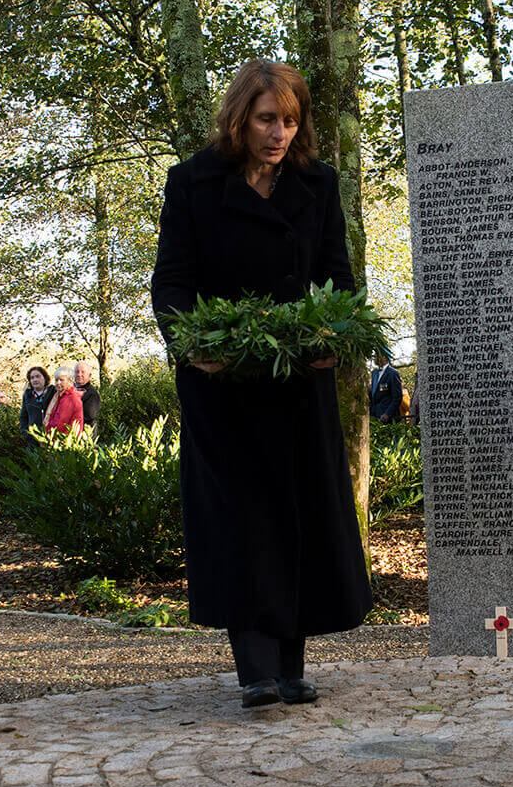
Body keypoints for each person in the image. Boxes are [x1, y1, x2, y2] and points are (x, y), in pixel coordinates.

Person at [151, 58, 372, 710]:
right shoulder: (192, 184)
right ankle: (256, 668)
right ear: (241, 118)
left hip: (299, 387)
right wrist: (193, 345)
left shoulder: (318, 185)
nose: (280, 133)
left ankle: (292, 665)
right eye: (267, 119)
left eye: (291, 120)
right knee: (242, 522)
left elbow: (338, 279)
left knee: (299, 516)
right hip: (223, 391)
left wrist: (333, 335)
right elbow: (172, 283)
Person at [42, 365, 84, 434]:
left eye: (61, 380)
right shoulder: (60, 396)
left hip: (65, 439)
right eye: (56, 380)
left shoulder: (70, 398)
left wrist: (45, 431)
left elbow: (60, 423)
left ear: (70, 381)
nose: (58, 383)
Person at [20, 366, 53, 441]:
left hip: (50, 437)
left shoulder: (53, 392)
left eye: (38, 376)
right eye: (32, 378)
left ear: (44, 378)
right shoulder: (27, 395)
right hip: (33, 438)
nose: (35, 380)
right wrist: (26, 434)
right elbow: (23, 417)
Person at [370, 354, 403, 423]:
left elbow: (397, 397)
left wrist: (387, 414)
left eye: (376, 356)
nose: (374, 358)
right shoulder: (374, 373)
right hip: (375, 416)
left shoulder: (393, 373)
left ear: (385, 358)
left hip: (388, 418)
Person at [74, 361, 101, 435]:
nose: (79, 374)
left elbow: (89, 415)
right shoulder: (70, 390)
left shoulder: (92, 394)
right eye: (77, 372)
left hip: (85, 435)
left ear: (89, 375)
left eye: (83, 372)